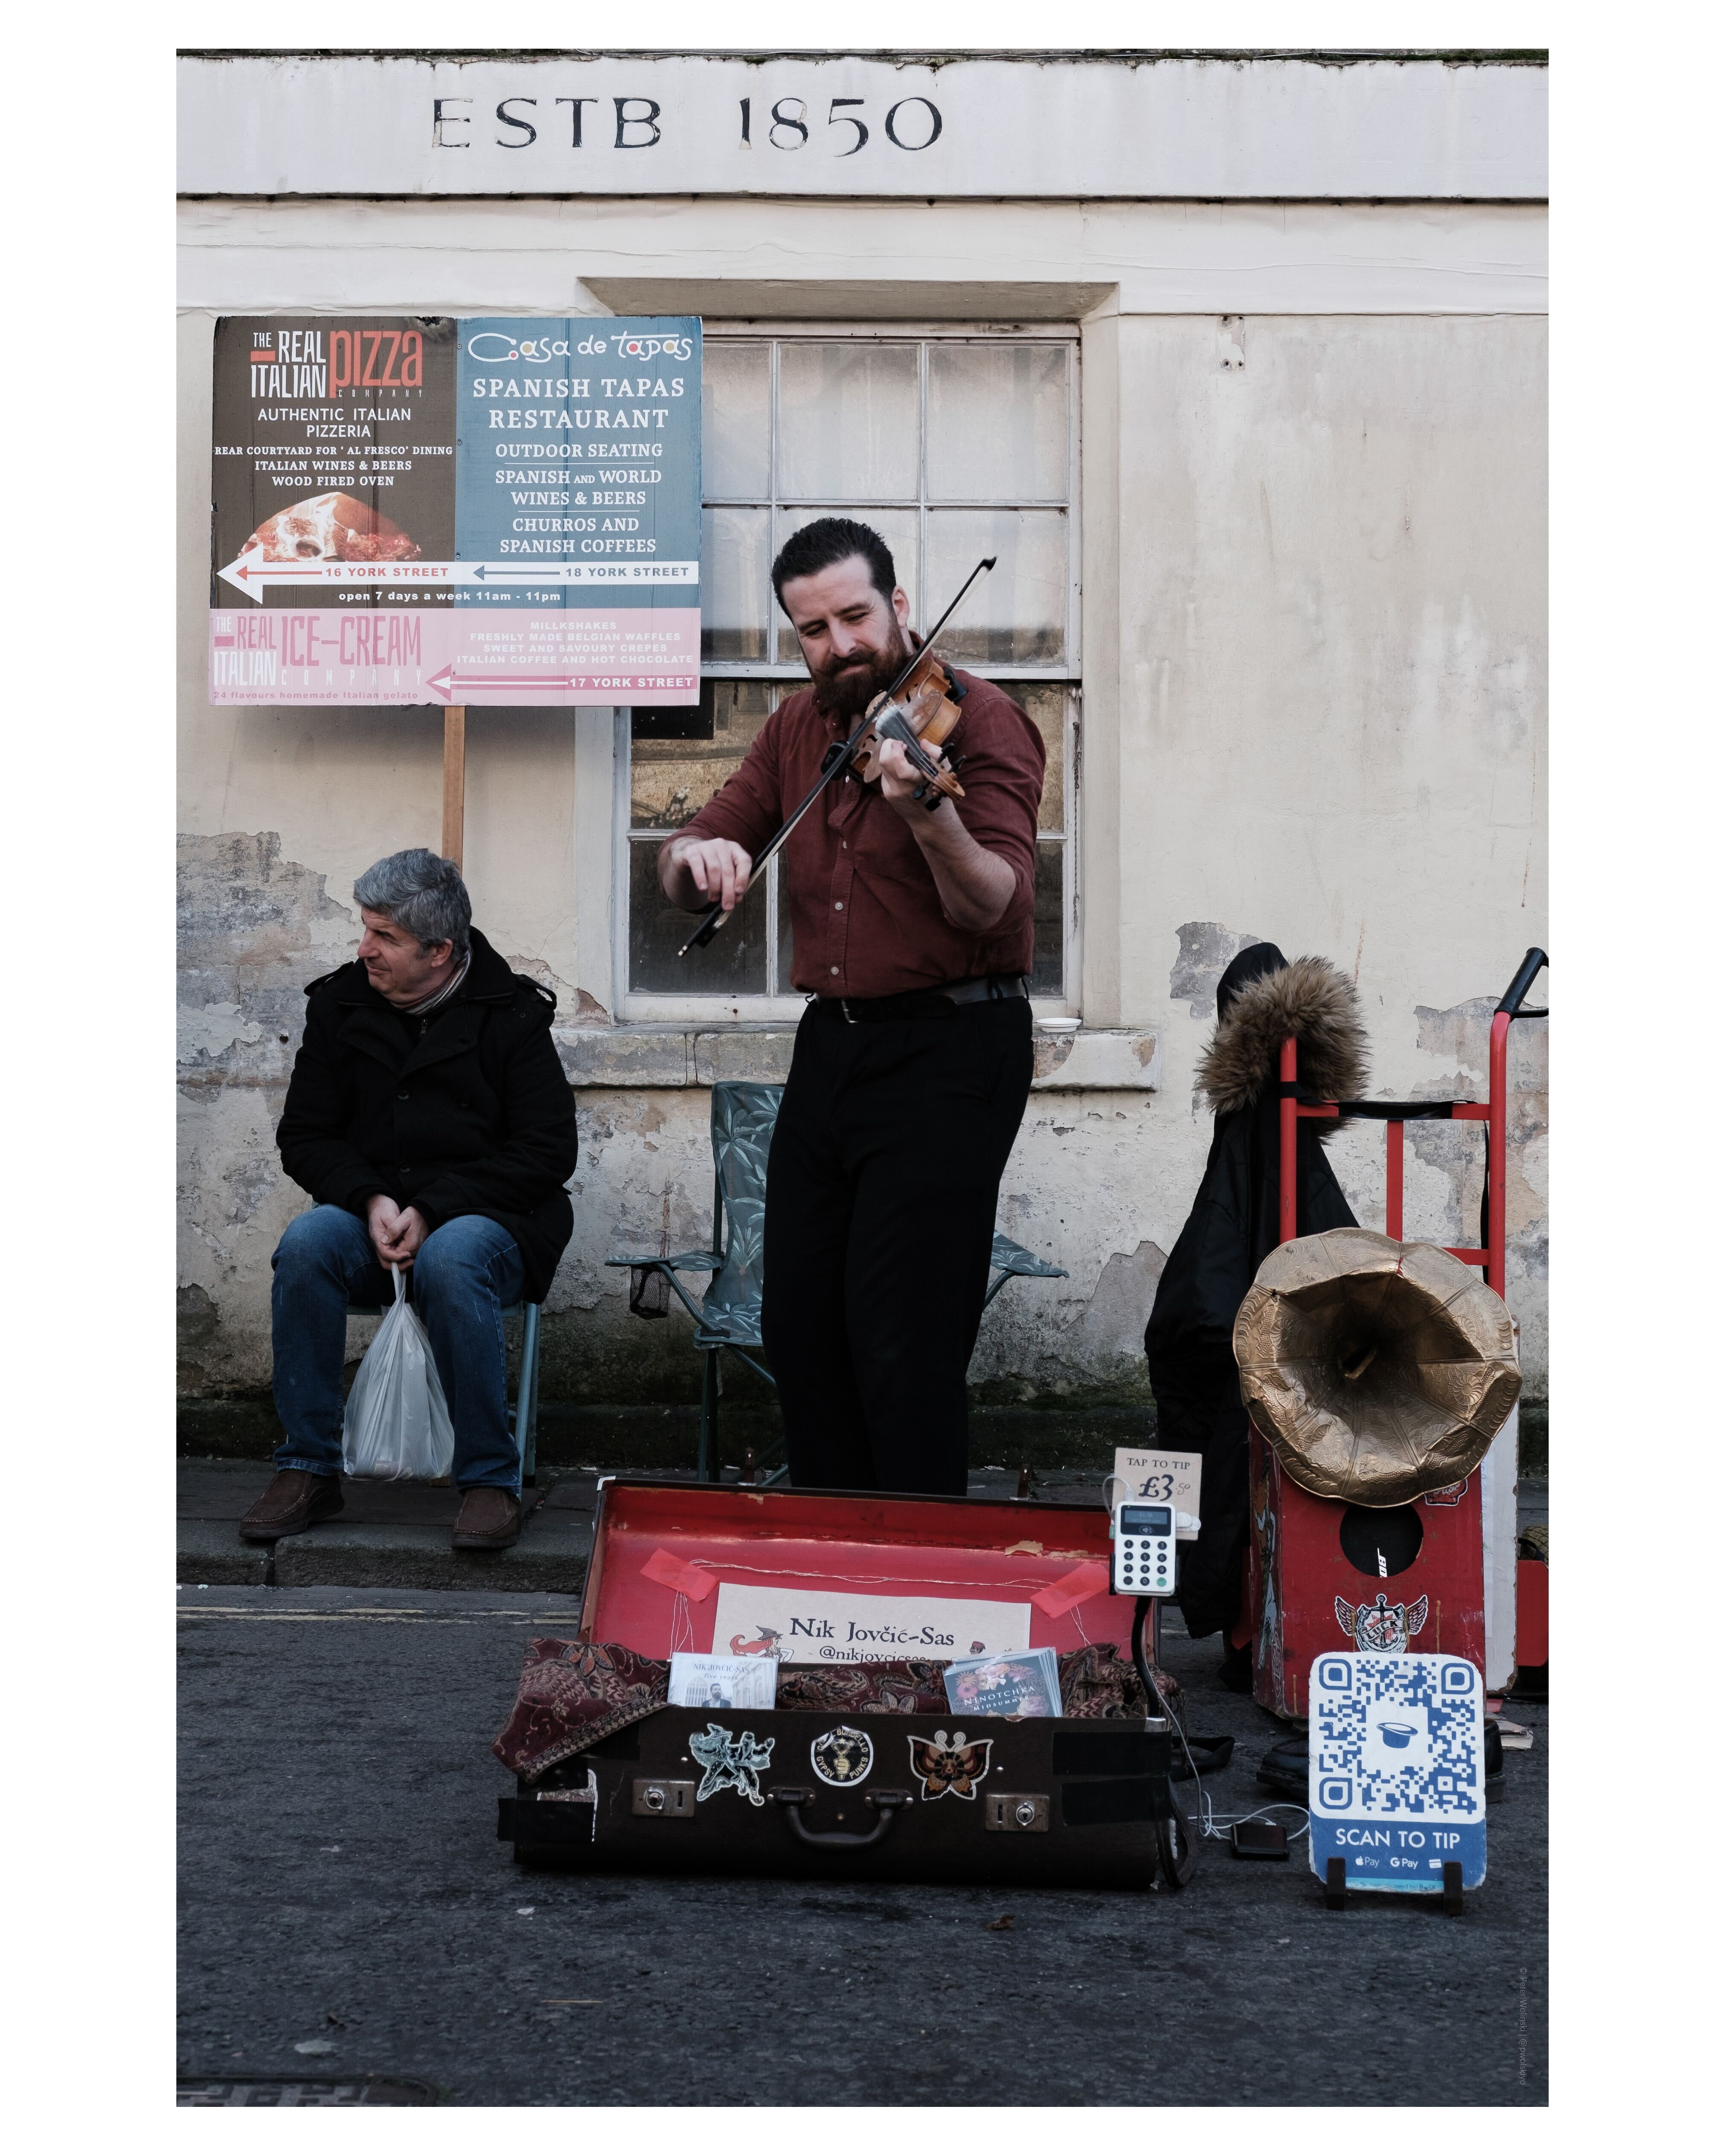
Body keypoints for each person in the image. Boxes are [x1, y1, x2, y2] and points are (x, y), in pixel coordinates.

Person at [658, 517, 1045, 1496]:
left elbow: (991, 902)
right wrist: (696, 861)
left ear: (899, 606)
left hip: (954, 1041)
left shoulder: (981, 719)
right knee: (801, 1321)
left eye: (855, 616)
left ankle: (918, 1584)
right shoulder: (800, 726)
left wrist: (927, 812)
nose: (839, 645)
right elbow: (699, 843)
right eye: (814, 628)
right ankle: (830, 1561)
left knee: (901, 1333)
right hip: (832, 1044)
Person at [240, 849, 580, 1551]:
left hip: (494, 1226)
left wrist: (435, 1207)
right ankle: (308, 1466)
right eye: (365, 930)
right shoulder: (340, 1005)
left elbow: (547, 1152)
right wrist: (368, 1199)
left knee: (453, 1257)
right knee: (306, 1246)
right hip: (376, 1221)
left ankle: (489, 1477)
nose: (364, 949)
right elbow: (304, 1135)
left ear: (439, 951)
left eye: (384, 937)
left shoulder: (510, 1013)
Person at [1142, 944, 1364, 1686]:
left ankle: (1242, 1614)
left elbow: (1206, 1293)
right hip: (1303, 1353)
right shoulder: (1286, 1123)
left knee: (1221, 1410)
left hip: (1259, 1357)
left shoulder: (1249, 1123)